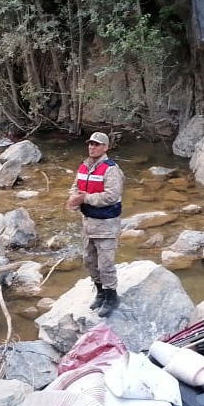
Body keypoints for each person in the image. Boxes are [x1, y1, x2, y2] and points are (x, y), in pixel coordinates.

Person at [66, 131, 123, 317]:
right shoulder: (84, 166)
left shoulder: (111, 169)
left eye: (97, 144)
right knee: (89, 261)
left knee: (106, 264)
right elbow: (75, 187)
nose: (92, 147)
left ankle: (111, 298)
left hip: (106, 225)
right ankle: (100, 293)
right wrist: (74, 199)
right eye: (90, 144)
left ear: (105, 147)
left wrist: (85, 198)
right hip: (88, 223)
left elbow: (111, 196)